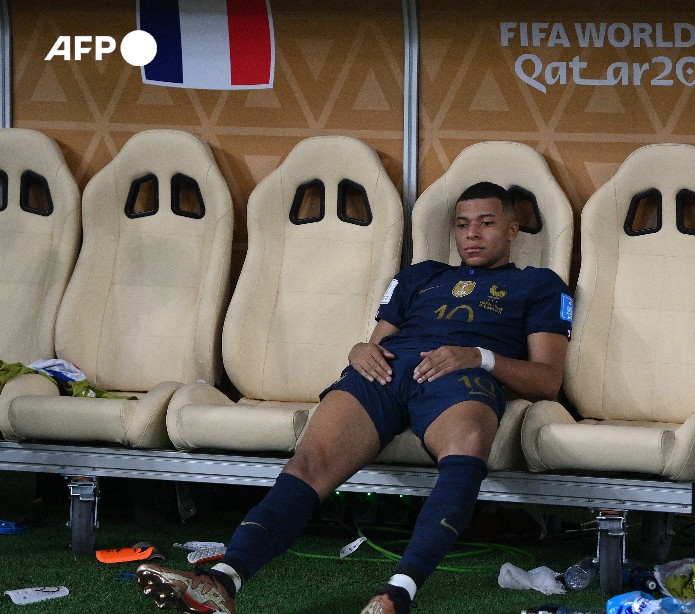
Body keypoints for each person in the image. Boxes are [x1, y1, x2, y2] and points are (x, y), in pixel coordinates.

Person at [135, 181, 574, 614]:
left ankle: (396, 596)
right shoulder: (419, 276)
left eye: (486, 223)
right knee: (309, 463)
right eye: (462, 225)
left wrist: (479, 357)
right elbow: (377, 341)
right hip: (386, 371)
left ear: (512, 230)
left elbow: (547, 380)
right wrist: (359, 350)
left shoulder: (540, 285)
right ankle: (222, 581)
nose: (472, 234)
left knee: (467, 445)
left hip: (460, 376)